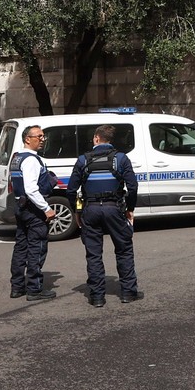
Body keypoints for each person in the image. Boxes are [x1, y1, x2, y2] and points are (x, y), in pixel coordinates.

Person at [66, 123, 140, 306]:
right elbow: (132, 187)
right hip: (114, 209)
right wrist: (130, 209)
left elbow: (71, 190)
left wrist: (78, 210)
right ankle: (128, 293)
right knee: (124, 250)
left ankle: (97, 297)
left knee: (94, 254)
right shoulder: (121, 159)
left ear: (97, 138)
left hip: (90, 210)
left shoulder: (83, 160)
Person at [7, 124, 57, 302]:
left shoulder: (17, 158)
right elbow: (31, 189)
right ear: (28, 139)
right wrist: (47, 209)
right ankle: (34, 288)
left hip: (21, 207)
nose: (42, 140)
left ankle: (17, 287)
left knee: (21, 247)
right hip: (33, 209)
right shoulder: (30, 160)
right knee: (37, 247)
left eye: (43, 136)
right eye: (39, 136)